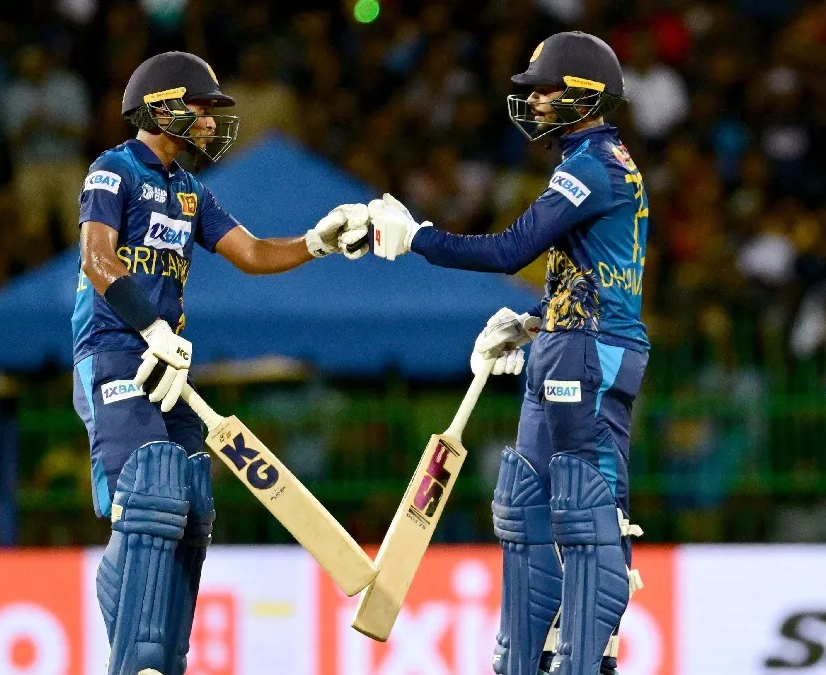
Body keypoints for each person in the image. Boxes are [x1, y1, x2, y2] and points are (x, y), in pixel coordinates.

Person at [72, 51, 367, 675]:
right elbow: (97, 259)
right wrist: (151, 326)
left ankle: (162, 660)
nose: (210, 121)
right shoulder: (112, 170)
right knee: (149, 495)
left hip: (164, 365)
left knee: (188, 502)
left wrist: (317, 242)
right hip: (114, 354)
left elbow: (253, 253)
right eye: (200, 108)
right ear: (161, 109)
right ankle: (134, 662)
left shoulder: (190, 191)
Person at [369, 32, 649, 675]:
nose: (536, 102)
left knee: (586, 509)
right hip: (565, 341)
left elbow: (510, 250)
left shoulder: (594, 166)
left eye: (547, 90)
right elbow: (592, 265)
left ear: (584, 95)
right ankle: (525, 660)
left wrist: (417, 237)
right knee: (523, 505)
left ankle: (586, 661)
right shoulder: (588, 161)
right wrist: (534, 323)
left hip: (593, 351)